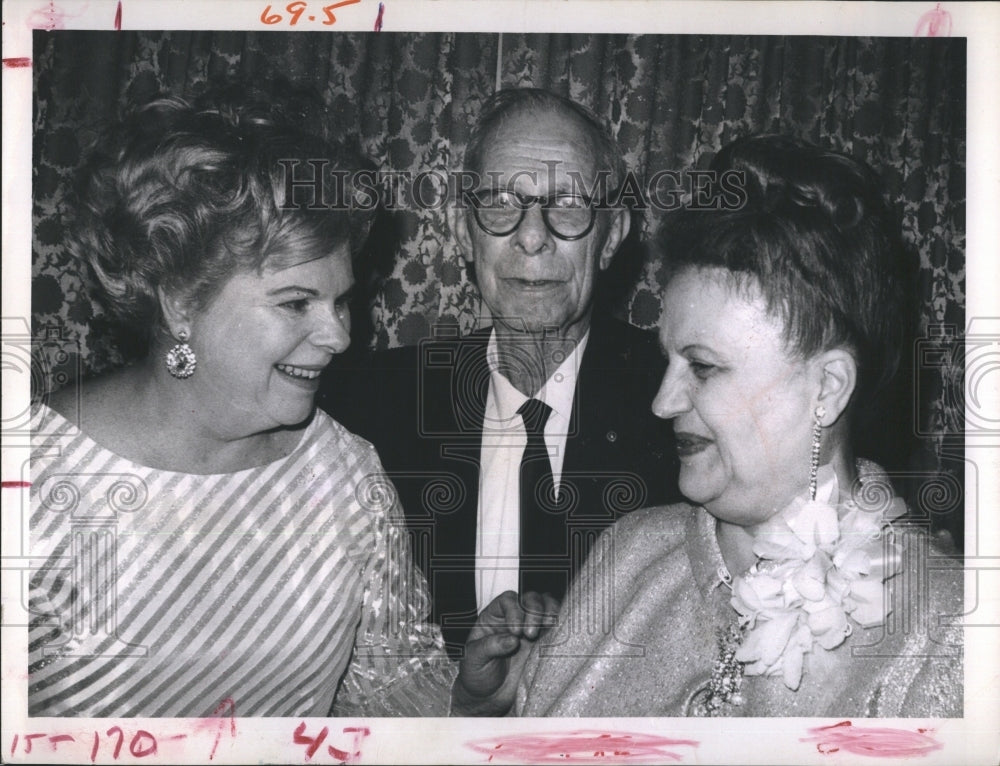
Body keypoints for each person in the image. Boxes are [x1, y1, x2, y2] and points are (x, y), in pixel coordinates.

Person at [27, 86, 529, 717]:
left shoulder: (347, 476)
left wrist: (469, 696)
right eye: (297, 302)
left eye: (341, 299)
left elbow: (386, 694)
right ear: (179, 301)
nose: (341, 335)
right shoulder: (31, 482)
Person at [511, 135, 963, 717]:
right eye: (667, 360)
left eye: (703, 367)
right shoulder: (629, 554)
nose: (662, 401)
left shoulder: (946, 632)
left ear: (826, 387)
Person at [319, 88, 680, 656]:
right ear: (463, 231)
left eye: (567, 205)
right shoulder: (367, 410)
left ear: (611, 235)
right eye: (500, 204)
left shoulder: (682, 408)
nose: (532, 237)